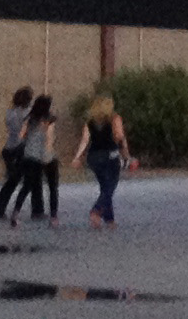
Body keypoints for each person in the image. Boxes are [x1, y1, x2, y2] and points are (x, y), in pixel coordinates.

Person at [72, 93, 136, 228]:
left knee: (104, 187)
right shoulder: (114, 118)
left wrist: (77, 157)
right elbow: (119, 137)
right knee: (110, 187)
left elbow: (85, 140)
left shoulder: (90, 121)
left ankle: (109, 219)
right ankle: (96, 210)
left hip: (93, 157)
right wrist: (127, 156)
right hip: (110, 156)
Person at [0, 85, 36, 224]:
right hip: (21, 148)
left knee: (12, 180)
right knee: (30, 179)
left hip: (8, 148)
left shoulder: (10, 113)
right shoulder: (28, 113)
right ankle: (37, 209)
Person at [17, 94, 57, 224]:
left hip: (29, 155)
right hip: (45, 156)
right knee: (52, 188)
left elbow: (21, 136)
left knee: (27, 186)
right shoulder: (49, 120)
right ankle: (53, 217)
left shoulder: (29, 119)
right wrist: (47, 156)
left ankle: (15, 212)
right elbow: (49, 140)